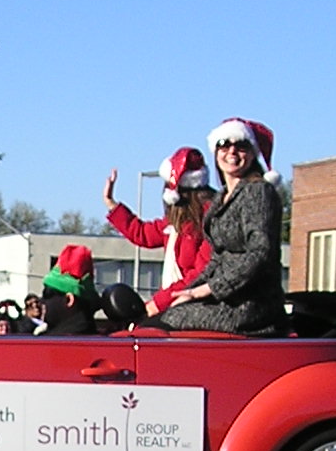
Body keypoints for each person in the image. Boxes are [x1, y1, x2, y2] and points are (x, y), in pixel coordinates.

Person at [155, 119, 284, 334]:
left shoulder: (259, 191)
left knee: (163, 323)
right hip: (226, 298)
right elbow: (216, 259)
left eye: (241, 146)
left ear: (252, 154)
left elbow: (261, 253)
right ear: (215, 152)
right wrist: (189, 291)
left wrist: (209, 289)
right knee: (167, 314)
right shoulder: (221, 198)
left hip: (251, 306)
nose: (232, 151)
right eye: (224, 145)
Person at [102, 147, 214, 316]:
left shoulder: (211, 222)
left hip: (196, 306)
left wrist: (158, 303)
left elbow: (200, 274)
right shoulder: (174, 224)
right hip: (175, 303)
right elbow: (142, 233)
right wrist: (111, 204)